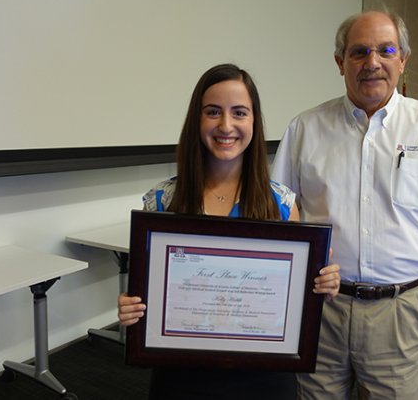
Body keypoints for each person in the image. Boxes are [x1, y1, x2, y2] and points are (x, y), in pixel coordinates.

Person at [271, 11, 418, 400]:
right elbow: (280, 220)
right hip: (321, 308)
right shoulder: (304, 129)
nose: (372, 62)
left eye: (385, 50)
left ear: (403, 59)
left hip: (401, 313)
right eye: (359, 52)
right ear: (340, 62)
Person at [117, 63, 340, 400]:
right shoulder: (163, 201)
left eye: (239, 113)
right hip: (182, 374)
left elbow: (296, 297)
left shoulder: (279, 203)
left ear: (253, 121)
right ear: (197, 120)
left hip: (263, 377)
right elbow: (147, 294)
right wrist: (131, 308)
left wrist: (320, 284)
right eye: (212, 112)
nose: (226, 125)